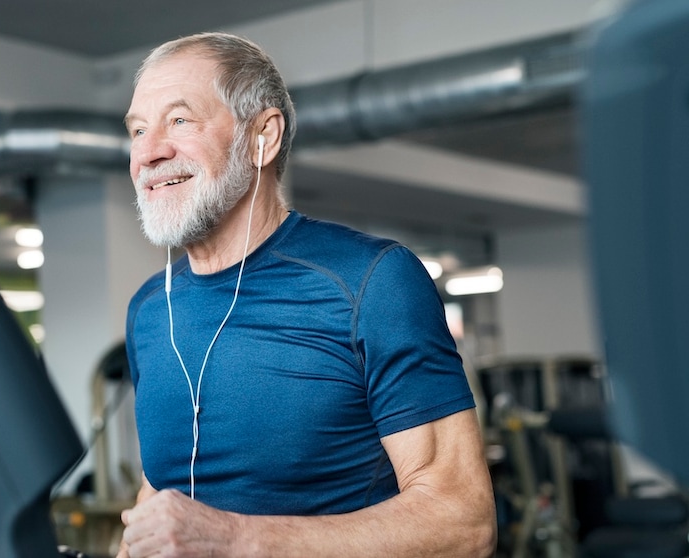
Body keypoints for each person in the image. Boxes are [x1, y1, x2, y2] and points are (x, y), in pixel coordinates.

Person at [120, 32, 496, 557]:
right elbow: (161, 494)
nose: (150, 152)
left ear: (262, 139)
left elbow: (463, 523)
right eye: (138, 130)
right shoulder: (148, 310)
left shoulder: (374, 281)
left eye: (180, 121)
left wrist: (236, 540)